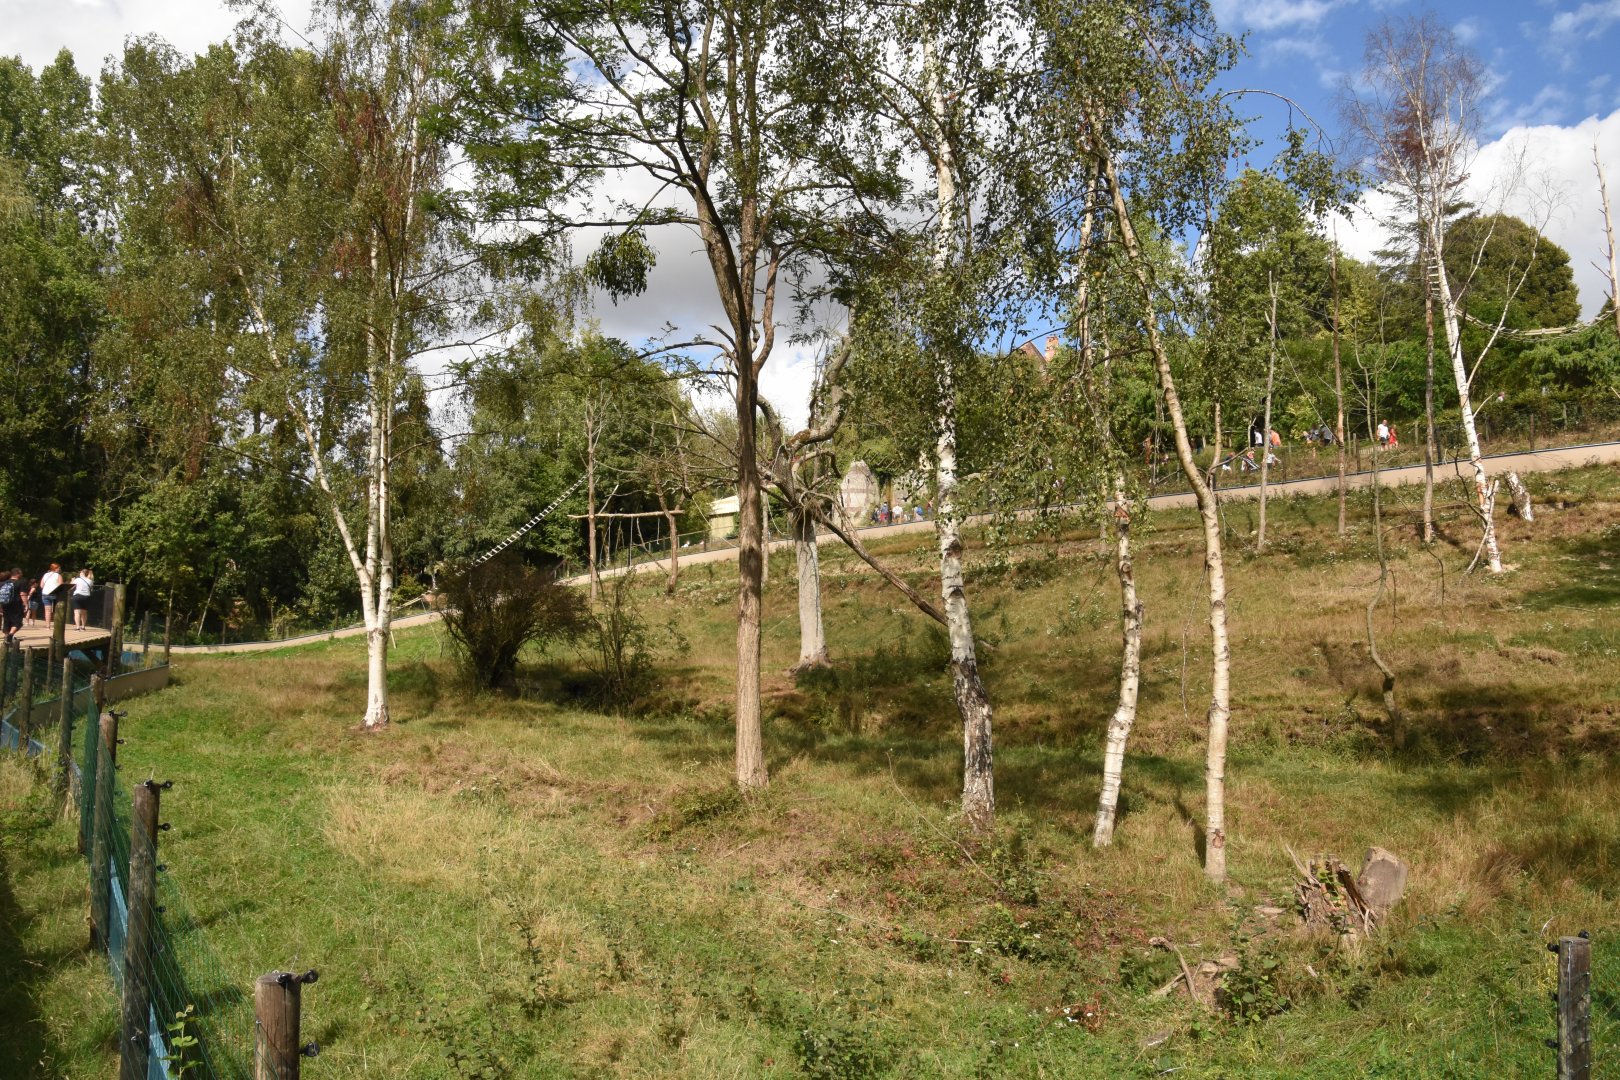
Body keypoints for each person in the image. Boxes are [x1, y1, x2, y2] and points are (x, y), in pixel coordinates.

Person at [0, 569, 24, 643]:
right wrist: (26, 604)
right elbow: (22, 594)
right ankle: (10, 634)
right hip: (16, 604)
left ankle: (6, 636)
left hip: (5, 604)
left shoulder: (3, 583)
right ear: (18, 574)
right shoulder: (20, 583)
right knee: (18, 622)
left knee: (7, 620)